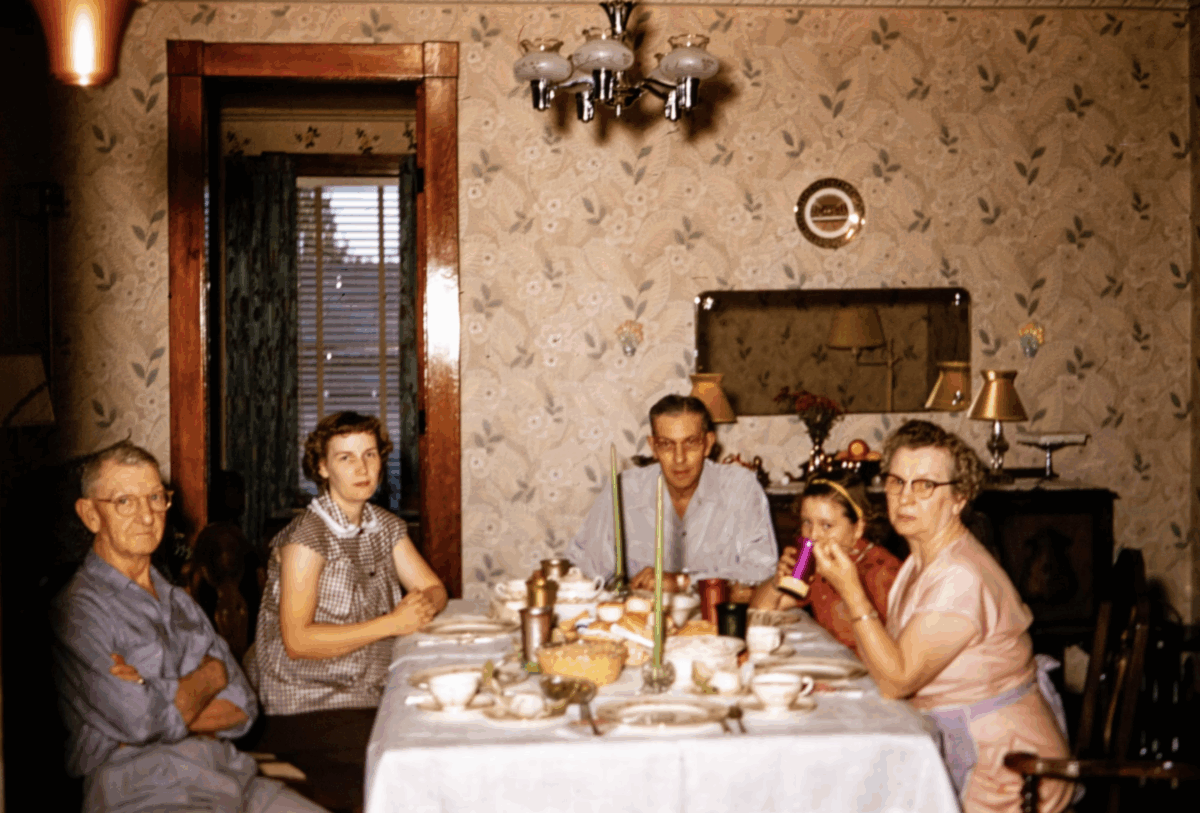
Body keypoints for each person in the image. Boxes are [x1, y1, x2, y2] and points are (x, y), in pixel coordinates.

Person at [50, 440, 327, 813]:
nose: (147, 516)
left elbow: (243, 708)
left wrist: (154, 697)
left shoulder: (179, 600)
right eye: (125, 501)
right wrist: (210, 677)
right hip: (143, 790)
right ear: (90, 515)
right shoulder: (78, 610)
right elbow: (140, 720)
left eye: (155, 498)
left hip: (231, 777)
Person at [811, 420, 1072, 813]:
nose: (905, 498)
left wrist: (852, 590)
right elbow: (895, 661)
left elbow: (898, 680)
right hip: (962, 749)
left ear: (959, 497)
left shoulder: (961, 577)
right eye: (897, 482)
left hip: (1009, 775)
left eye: (925, 485)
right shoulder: (920, 563)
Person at [253, 411, 447, 813]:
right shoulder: (307, 538)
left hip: (372, 691)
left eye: (371, 455)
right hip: (311, 704)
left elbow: (433, 587)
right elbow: (298, 641)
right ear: (322, 468)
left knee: (445, 735)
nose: (362, 468)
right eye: (346, 458)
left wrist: (422, 604)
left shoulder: (384, 525)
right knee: (414, 772)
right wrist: (394, 623)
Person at [568, 394, 777, 590]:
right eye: (667, 445)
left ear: (708, 444)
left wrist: (683, 582)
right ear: (654, 447)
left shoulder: (741, 489)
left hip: (717, 622)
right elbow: (585, 571)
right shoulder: (622, 492)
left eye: (691, 443)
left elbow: (763, 573)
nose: (679, 458)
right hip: (643, 623)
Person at [750, 472, 901, 657]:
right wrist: (777, 581)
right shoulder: (819, 565)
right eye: (807, 522)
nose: (813, 535)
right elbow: (761, 610)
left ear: (858, 528)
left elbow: (894, 657)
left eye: (827, 525)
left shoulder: (883, 572)